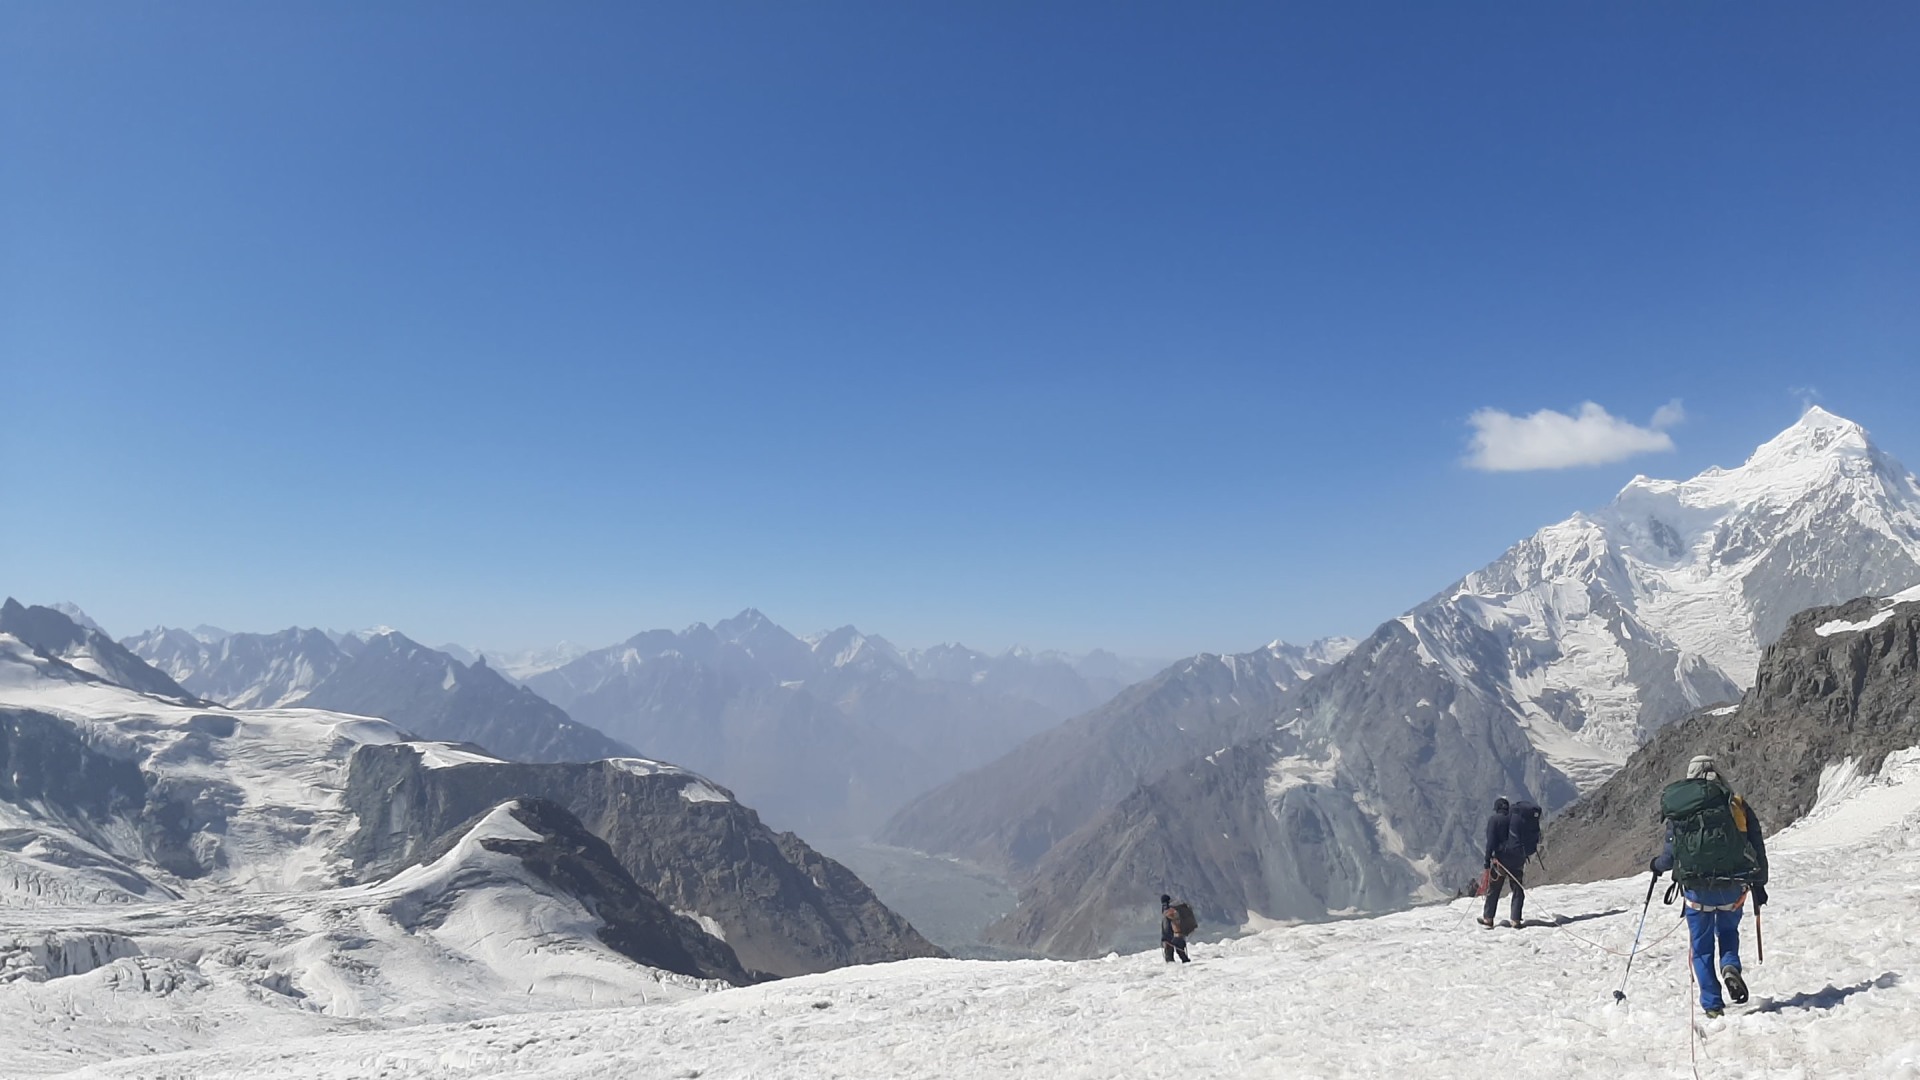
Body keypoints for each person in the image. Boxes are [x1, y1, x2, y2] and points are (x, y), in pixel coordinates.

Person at [1651, 755, 1769, 1018]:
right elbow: (1756, 843)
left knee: (1701, 948)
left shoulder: (1682, 808)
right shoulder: (1735, 802)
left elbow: (1669, 857)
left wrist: (1656, 866)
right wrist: (1760, 883)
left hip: (1696, 890)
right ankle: (1730, 966)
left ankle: (1713, 1005)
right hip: (1733, 887)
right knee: (1728, 932)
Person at [1479, 796, 1527, 928]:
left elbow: (1490, 842)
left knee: (1494, 889)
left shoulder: (1494, 820)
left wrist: (1487, 861)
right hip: (1517, 860)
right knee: (1517, 889)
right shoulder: (1516, 819)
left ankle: (1488, 919)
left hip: (1500, 861)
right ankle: (1515, 920)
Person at [1160, 894, 1190, 963]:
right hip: (1178, 934)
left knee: (1169, 956)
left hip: (1171, 936)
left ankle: (1173, 968)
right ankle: (1188, 965)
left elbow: (1166, 926)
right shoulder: (1174, 909)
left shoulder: (1167, 910)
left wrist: (1164, 936)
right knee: (1181, 952)